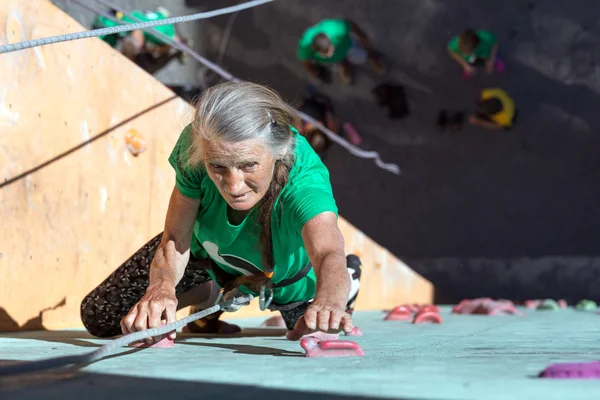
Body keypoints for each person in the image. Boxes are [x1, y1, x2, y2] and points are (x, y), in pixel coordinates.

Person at [80, 81, 363, 343]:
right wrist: (161, 291)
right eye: (217, 167)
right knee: (100, 317)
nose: (233, 186)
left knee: (312, 328)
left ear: (278, 151)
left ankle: (347, 281)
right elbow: (176, 236)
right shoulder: (198, 146)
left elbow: (327, 252)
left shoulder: (305, 182)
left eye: (249, 165)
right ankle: (209, 292)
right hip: (209, 256)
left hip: (285, 278)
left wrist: (329, 302)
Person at [93, 7, 189, 71]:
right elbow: (136, 40)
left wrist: (149, 49)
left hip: (120, 19)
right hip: (109, 27)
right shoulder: (166, 39)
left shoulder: (167, 29)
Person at [297, 19, 385, 85]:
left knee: (361, 55)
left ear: (330, 40)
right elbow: (304, 60)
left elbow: (351, 25)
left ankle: (373, 59)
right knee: (339, 61)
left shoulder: (336, 29)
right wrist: (314, 71)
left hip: (347, 47)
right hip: (337, 57)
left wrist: (362, 36)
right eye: (324, 53)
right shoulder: (305, 45)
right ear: (313, 47)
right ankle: (344, 67)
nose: (329, 55)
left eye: (329, 50)